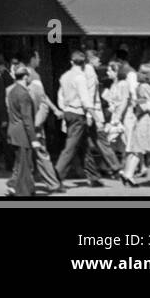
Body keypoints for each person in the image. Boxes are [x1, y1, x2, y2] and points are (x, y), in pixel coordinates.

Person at [55, 49, 104, 187]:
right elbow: (85, 99)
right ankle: (57, 175)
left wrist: (63, 108)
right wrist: (95, 117)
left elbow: (61, 96)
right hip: (78, 113)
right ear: (83, 64)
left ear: (71, 62)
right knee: (71, 146)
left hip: (68, 112)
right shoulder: (80, 77)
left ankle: (93, 176)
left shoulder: (64, 76)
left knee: (84, 144)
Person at [20, 52, 66, 194]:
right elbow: (42, 97)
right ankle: (52, 183)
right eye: (38, 57)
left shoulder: (21, 74)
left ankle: (27, 184)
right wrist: (54, 110)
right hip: (34, 121)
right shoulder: (33, 75)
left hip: (26, 121)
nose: (39, 60)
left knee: (28, 154)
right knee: (40, 152)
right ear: (32, 59)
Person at [4, 58, 40, 197]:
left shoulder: (12, 91)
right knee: (24, 164)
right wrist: (33, 138)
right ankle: (22, 190)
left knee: (20, 163)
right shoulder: (24, 94)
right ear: (25, 77)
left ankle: (24, 188)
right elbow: (27, 118)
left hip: (13, 130)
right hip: (22, 133)